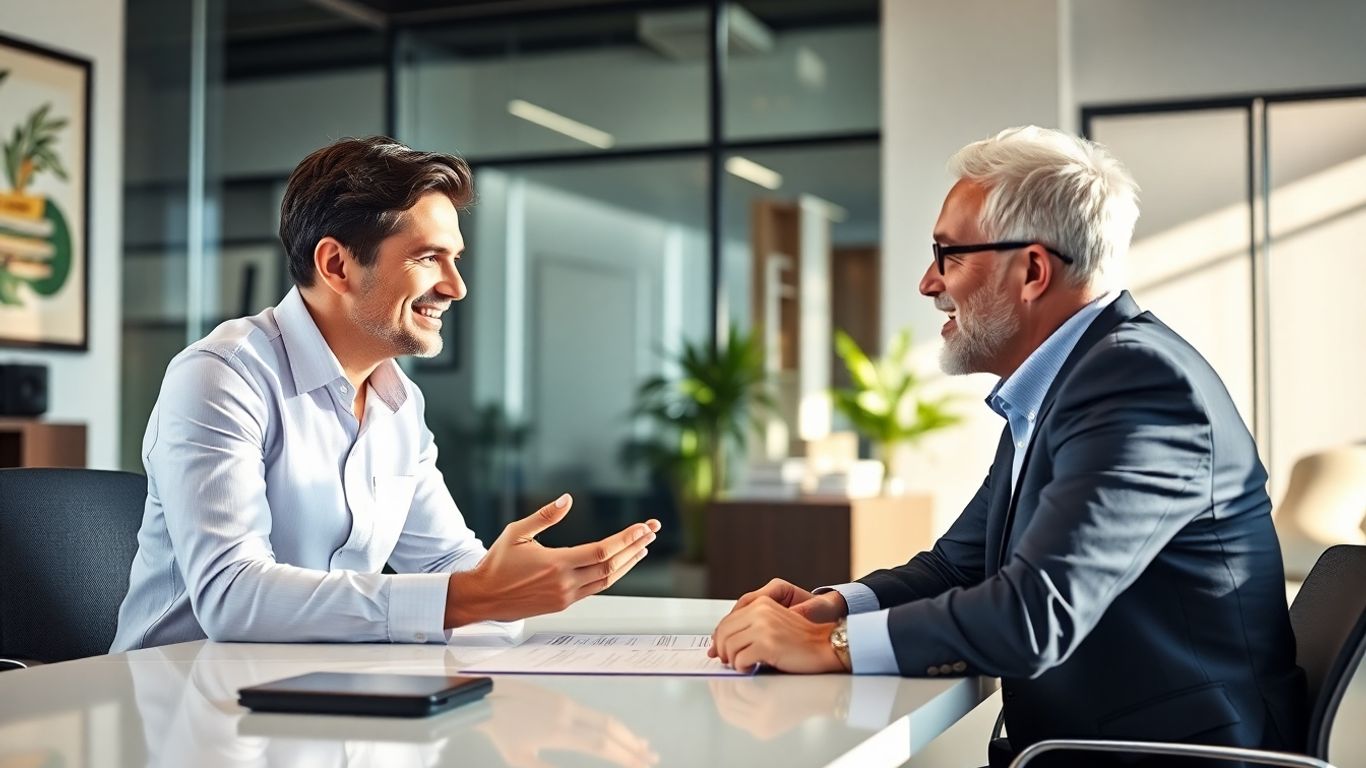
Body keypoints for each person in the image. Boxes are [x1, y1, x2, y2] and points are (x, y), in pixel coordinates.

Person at [709, 126, 1305, 765]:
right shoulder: (1066, 384)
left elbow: (1032, 613)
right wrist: (829, 608)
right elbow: (957, 567)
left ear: (1032, 270)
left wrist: (833, 647)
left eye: (948, 255)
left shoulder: (1136, 383)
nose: (927, 283)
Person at [113, 136, 659, 652]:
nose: (456, 286)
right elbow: (232, 596)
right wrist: (473, 596)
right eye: (428, 257)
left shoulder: (399, 405)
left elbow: (447, 561)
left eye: (456, 259)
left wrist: (524, 577)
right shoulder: (223, 376)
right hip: (180, 700)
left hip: (319, 694)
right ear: (337, 265)